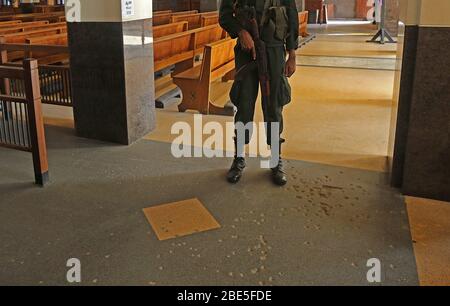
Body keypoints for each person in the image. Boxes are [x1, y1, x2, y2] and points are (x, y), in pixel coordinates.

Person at [219, 0, 299, 186]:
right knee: (244, 105)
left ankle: (275, 159)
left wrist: (292, 54)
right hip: (246, 52)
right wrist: (241, 31)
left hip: (274, 51)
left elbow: (292, 17)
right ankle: (238, 158)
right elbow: (224, 16)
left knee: (274, 106)